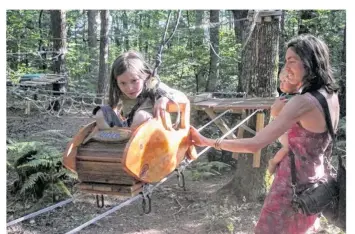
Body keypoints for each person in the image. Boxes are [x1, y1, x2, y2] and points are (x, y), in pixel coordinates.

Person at [190, 34, 339, 234]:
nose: (286, 68)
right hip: (315, 177)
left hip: (292, 184)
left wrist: (208, 141)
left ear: (310, 62)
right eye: (285, 62)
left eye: (291, 61)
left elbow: (254, 144)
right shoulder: (329, 94)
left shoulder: (303, 102)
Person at [93, 51, 189, 130]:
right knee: (101, 113)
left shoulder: (153, 85)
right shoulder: (119, 91)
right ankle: (109, 138)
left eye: (134, 80)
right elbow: (113, 107)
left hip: (150, 132)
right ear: (116, 82)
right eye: (123, 83)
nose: (129, 88)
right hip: (127, 130)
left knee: (141, 116)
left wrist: (164, 99)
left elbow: (182, 97)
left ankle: (128, 143)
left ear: (146, 75)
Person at [268, 68, 300, 174]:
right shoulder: (285, 97)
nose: (281, 85)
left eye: (284, 81)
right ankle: (273, 162)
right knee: (286, 148)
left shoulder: (297, 97)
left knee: (289, 149)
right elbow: (275, 112)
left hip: (289, 129)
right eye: (280, 81)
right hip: (285, 131)